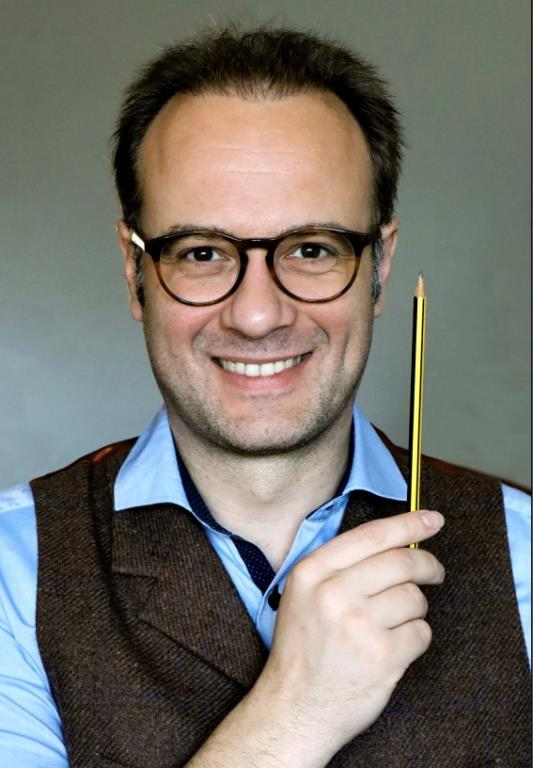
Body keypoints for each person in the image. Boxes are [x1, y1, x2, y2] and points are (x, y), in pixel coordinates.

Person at [0, 26, 530, 768]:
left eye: (311, 250)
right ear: (134, 271)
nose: (256, 315)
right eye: (202, 253)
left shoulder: (524, 557)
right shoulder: (12, 572)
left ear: (380, 268)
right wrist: (295, 714)